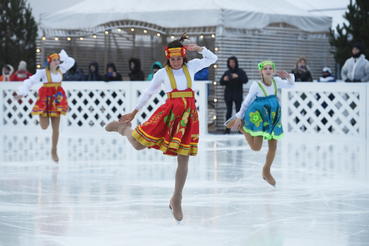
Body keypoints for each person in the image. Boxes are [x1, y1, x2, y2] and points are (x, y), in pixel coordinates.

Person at [105, 33, 217, 222]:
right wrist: (134, 112)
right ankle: (123, 129)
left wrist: (198, 49)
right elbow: (148, 93)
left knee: (184, 158)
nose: (175, 62)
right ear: (167, 58)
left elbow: (212, 59)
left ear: (183, 55)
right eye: (172, 59)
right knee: (139, 145)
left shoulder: (192, 66)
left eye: (179, 58)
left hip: (187, 117)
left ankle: (177, 199)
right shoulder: (163, 73)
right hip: (168, 115)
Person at [225, 60, 295, 187]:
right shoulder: (256, 85)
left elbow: (290, 85)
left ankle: (266, 170)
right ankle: (243, 127)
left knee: (273, 147)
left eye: (270, 68)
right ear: (261, 71)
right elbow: (246, 102)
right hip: (259, 116)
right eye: (265, 68)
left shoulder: (276, 82)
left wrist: (289, 76)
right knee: (256, 147)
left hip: (272, 116)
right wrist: (240, 117)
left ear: (273, 70)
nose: (268, 70)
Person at [13, 50, 75, 163]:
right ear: (49, 62)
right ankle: (43, 114)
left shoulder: (62, 69)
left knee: (56, 129)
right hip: (46, 100)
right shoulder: (43, 72)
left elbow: (71, 61)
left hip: (57, 100)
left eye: (58, 60)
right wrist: (23, 93)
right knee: (44, 126)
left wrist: (61, 56)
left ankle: (54, 151)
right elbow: (31, 81)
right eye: (55, 60)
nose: (57, 62)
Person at [219, 56, 248, 134]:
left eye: (233, 62)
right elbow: (221, 82)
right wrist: (224, 79)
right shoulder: (227, 72)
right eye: (230, 62)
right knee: (228, 111)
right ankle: (227, 129)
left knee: (239, 111)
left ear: (236, 63)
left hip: (237, 95)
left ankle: (240, 129)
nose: (231, 64)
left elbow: (245, 80)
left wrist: (237, 77)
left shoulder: (240, 72)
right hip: (228, 95)